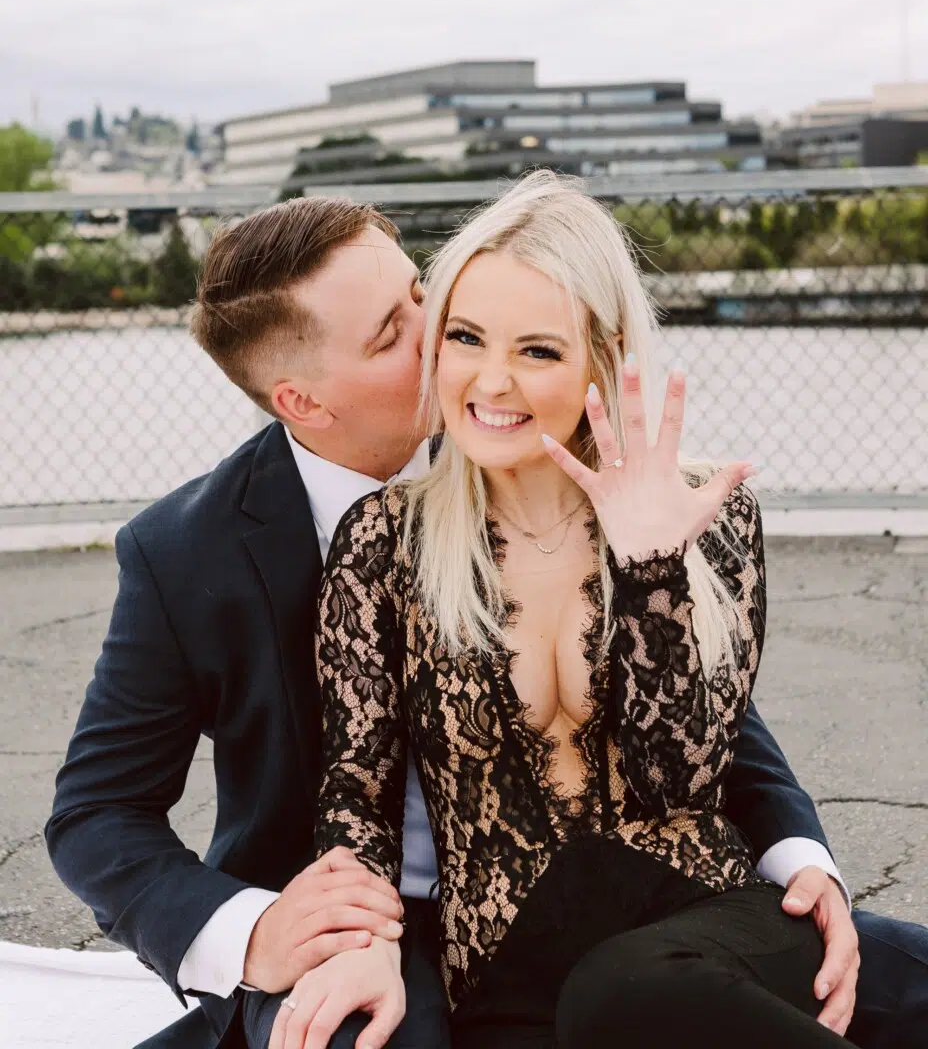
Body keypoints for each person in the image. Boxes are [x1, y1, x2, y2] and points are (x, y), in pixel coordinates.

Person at [45, 188, 926, 1049]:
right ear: (303, 401)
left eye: (423, 294)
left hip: (660, 898)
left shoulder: (528, 431)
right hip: (385, 923)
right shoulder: (187, 553)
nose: (442, 333)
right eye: (396, 332)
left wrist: (800, 857)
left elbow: (707, 707)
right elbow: (98, 813)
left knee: (878, 981)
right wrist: (260, 932)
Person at [301, 172, 927, 1049]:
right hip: (510, 976)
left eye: (538, 351)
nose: (491, 379)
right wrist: (361, 945)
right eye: (466, 336)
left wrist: (650, 569)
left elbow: (683, 783)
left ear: (605, 359)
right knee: (605, 1000)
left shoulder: (705, 513)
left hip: (704, 922)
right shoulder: (385, 539)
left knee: (627, 987)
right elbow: (355, 793)